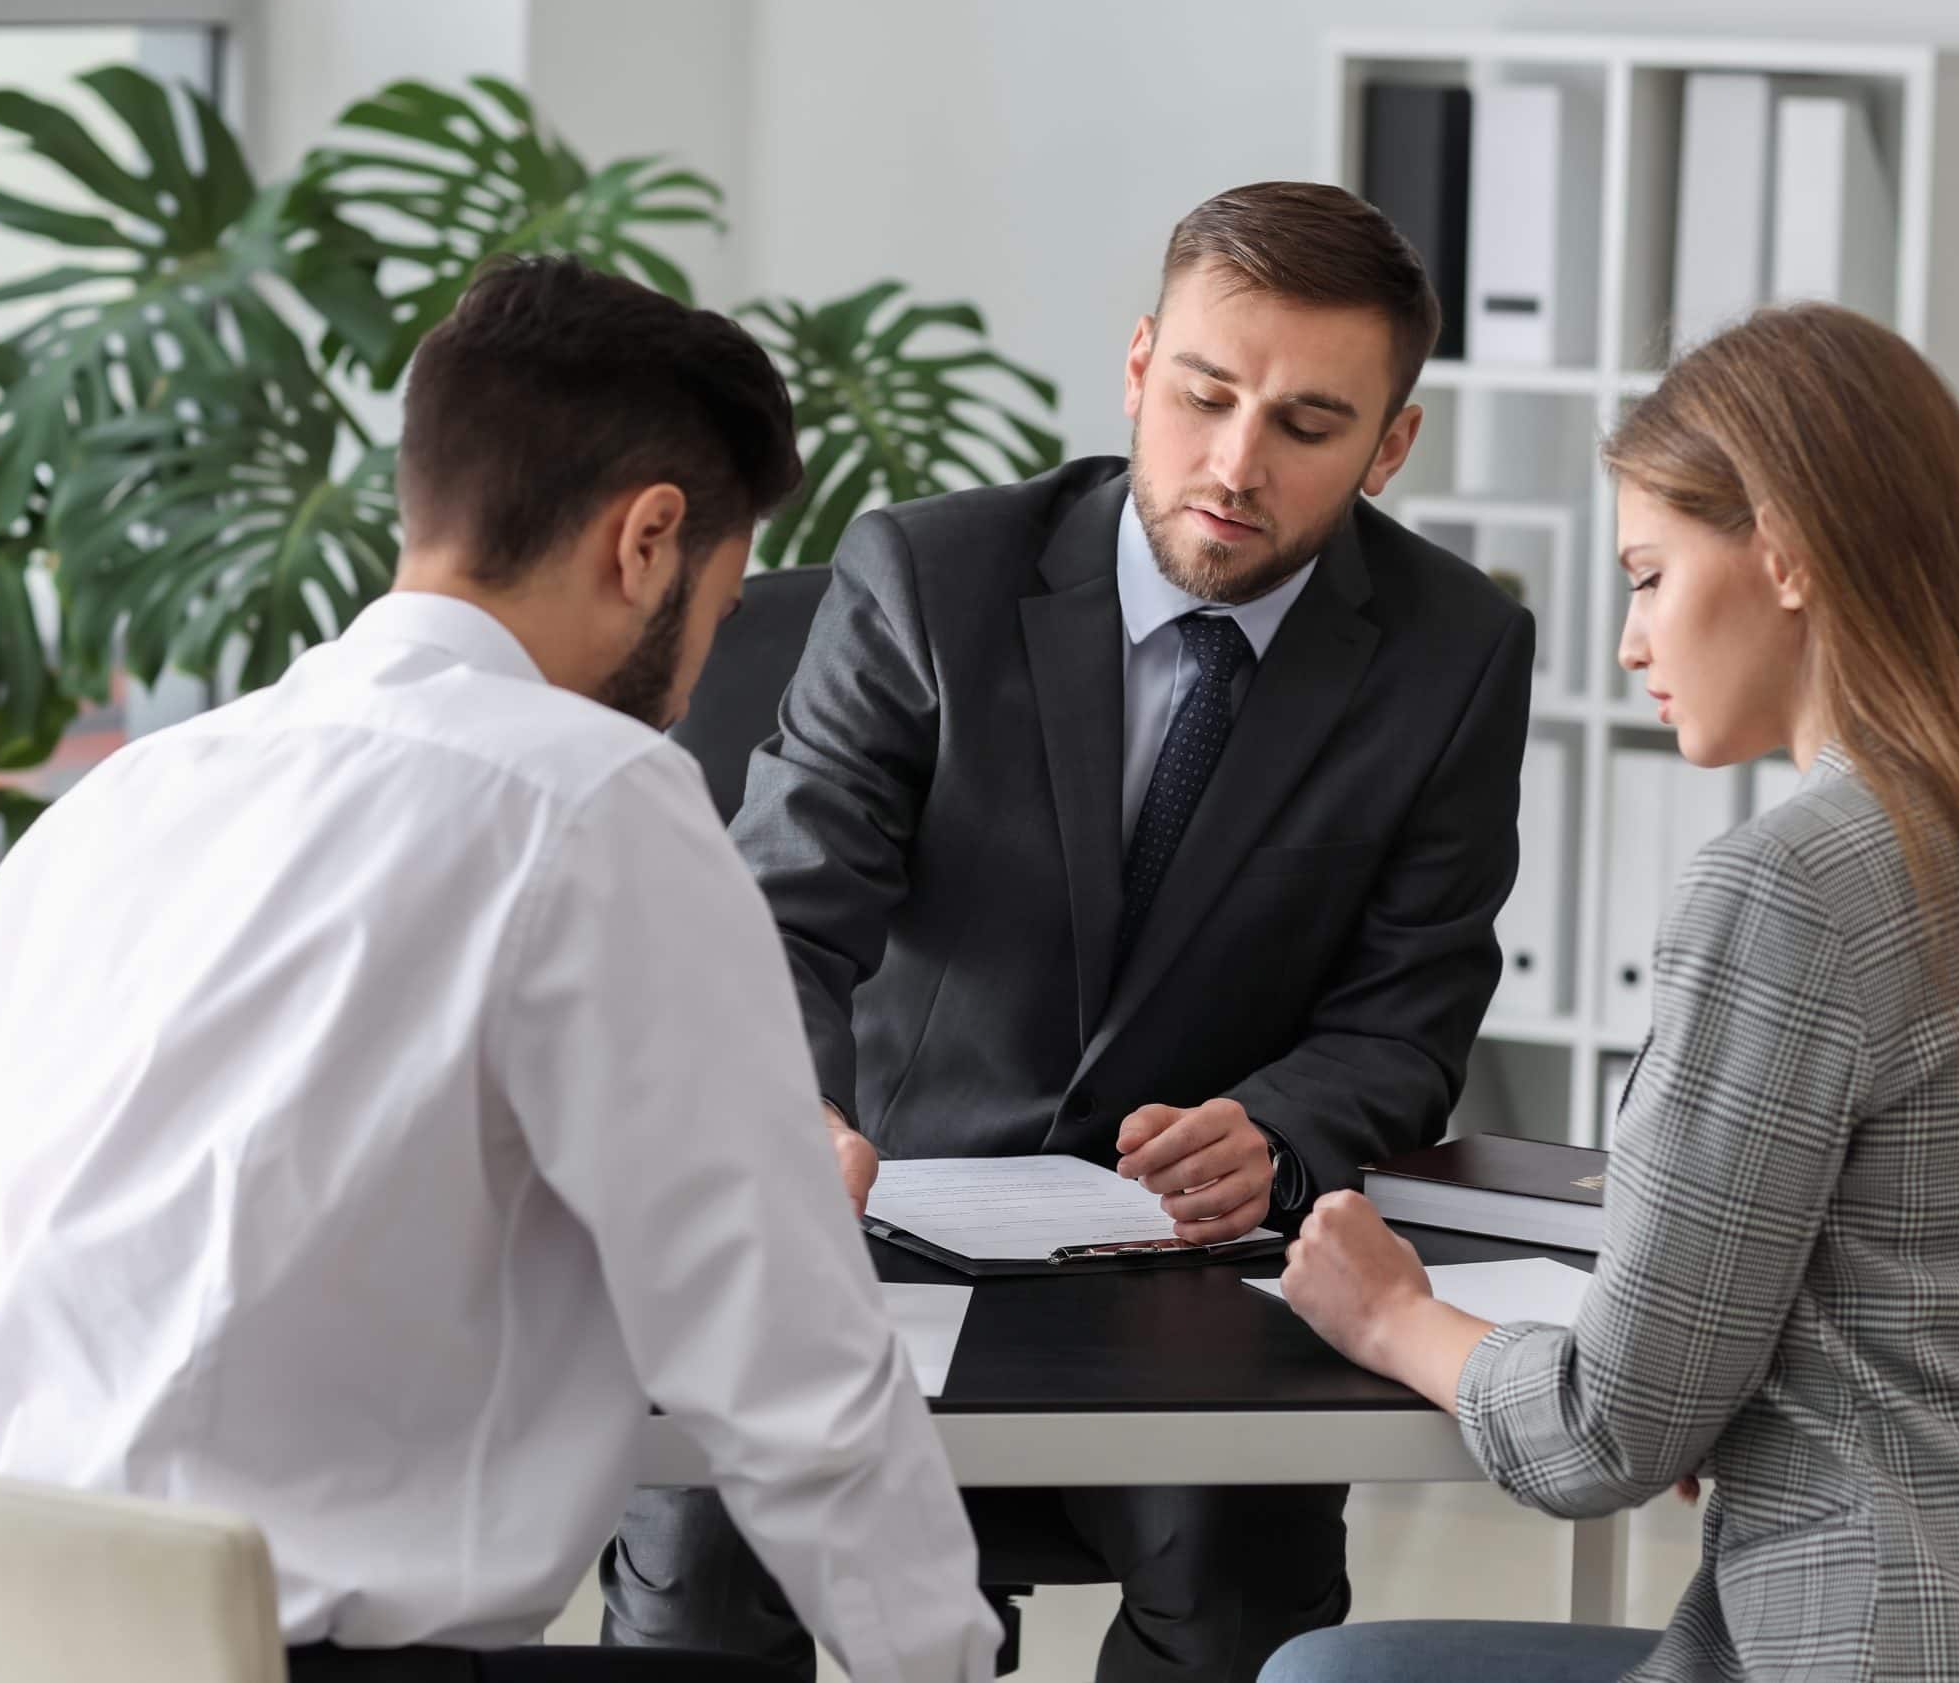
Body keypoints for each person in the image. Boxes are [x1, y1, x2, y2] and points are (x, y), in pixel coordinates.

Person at [0, 256, 1001, 1683]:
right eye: (726, 605)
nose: (698, 670)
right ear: (649, 541)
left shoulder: (110, 815)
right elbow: (789, 1362)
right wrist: (943, 1664)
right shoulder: (593, 796)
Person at [602, 182, 1539, 1683]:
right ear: (1137, 366)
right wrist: (803, 1113)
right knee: (699, 1560)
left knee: (1238, 1590)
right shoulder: (928, 576)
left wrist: (1281, 1126)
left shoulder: (1453, 652)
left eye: (1306, 425)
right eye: (1205, 395)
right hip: (873, 1227)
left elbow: (1410, 1013)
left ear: (1391, 446)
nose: (1233, 465)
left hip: (1187, 1274)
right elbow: (779, 918)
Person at [1263, 302, 1959, 1683]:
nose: (1629, 643)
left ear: (1784, 553)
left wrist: (1394, 1315)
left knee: (1331, 1674)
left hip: (1871, 1653)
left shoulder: (1794, 885)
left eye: (1649, 574)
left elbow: (1605, 1434)